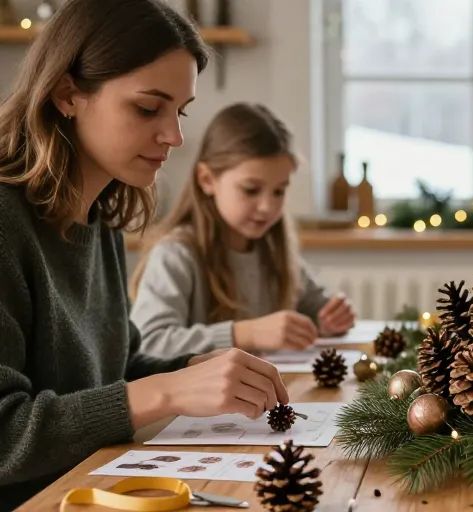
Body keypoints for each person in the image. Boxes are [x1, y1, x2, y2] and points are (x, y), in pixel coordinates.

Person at [0, 0, 290, 508]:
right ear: (68, 93)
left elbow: (115, 368)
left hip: (95, 490)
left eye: (180, 111)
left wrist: (196, 366)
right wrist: (169, 391)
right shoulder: (6, 223)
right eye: (147, 107)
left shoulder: (100, 214)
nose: (174, 136)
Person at [128, 103, 356, 359]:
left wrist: (330, 318)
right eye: (250, 190)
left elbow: (317, 306)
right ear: (207, 180)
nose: (268, 206)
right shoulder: (175, 254)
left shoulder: (272, 251)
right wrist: (245, 334)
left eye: (278, 191)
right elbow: (148, 343)